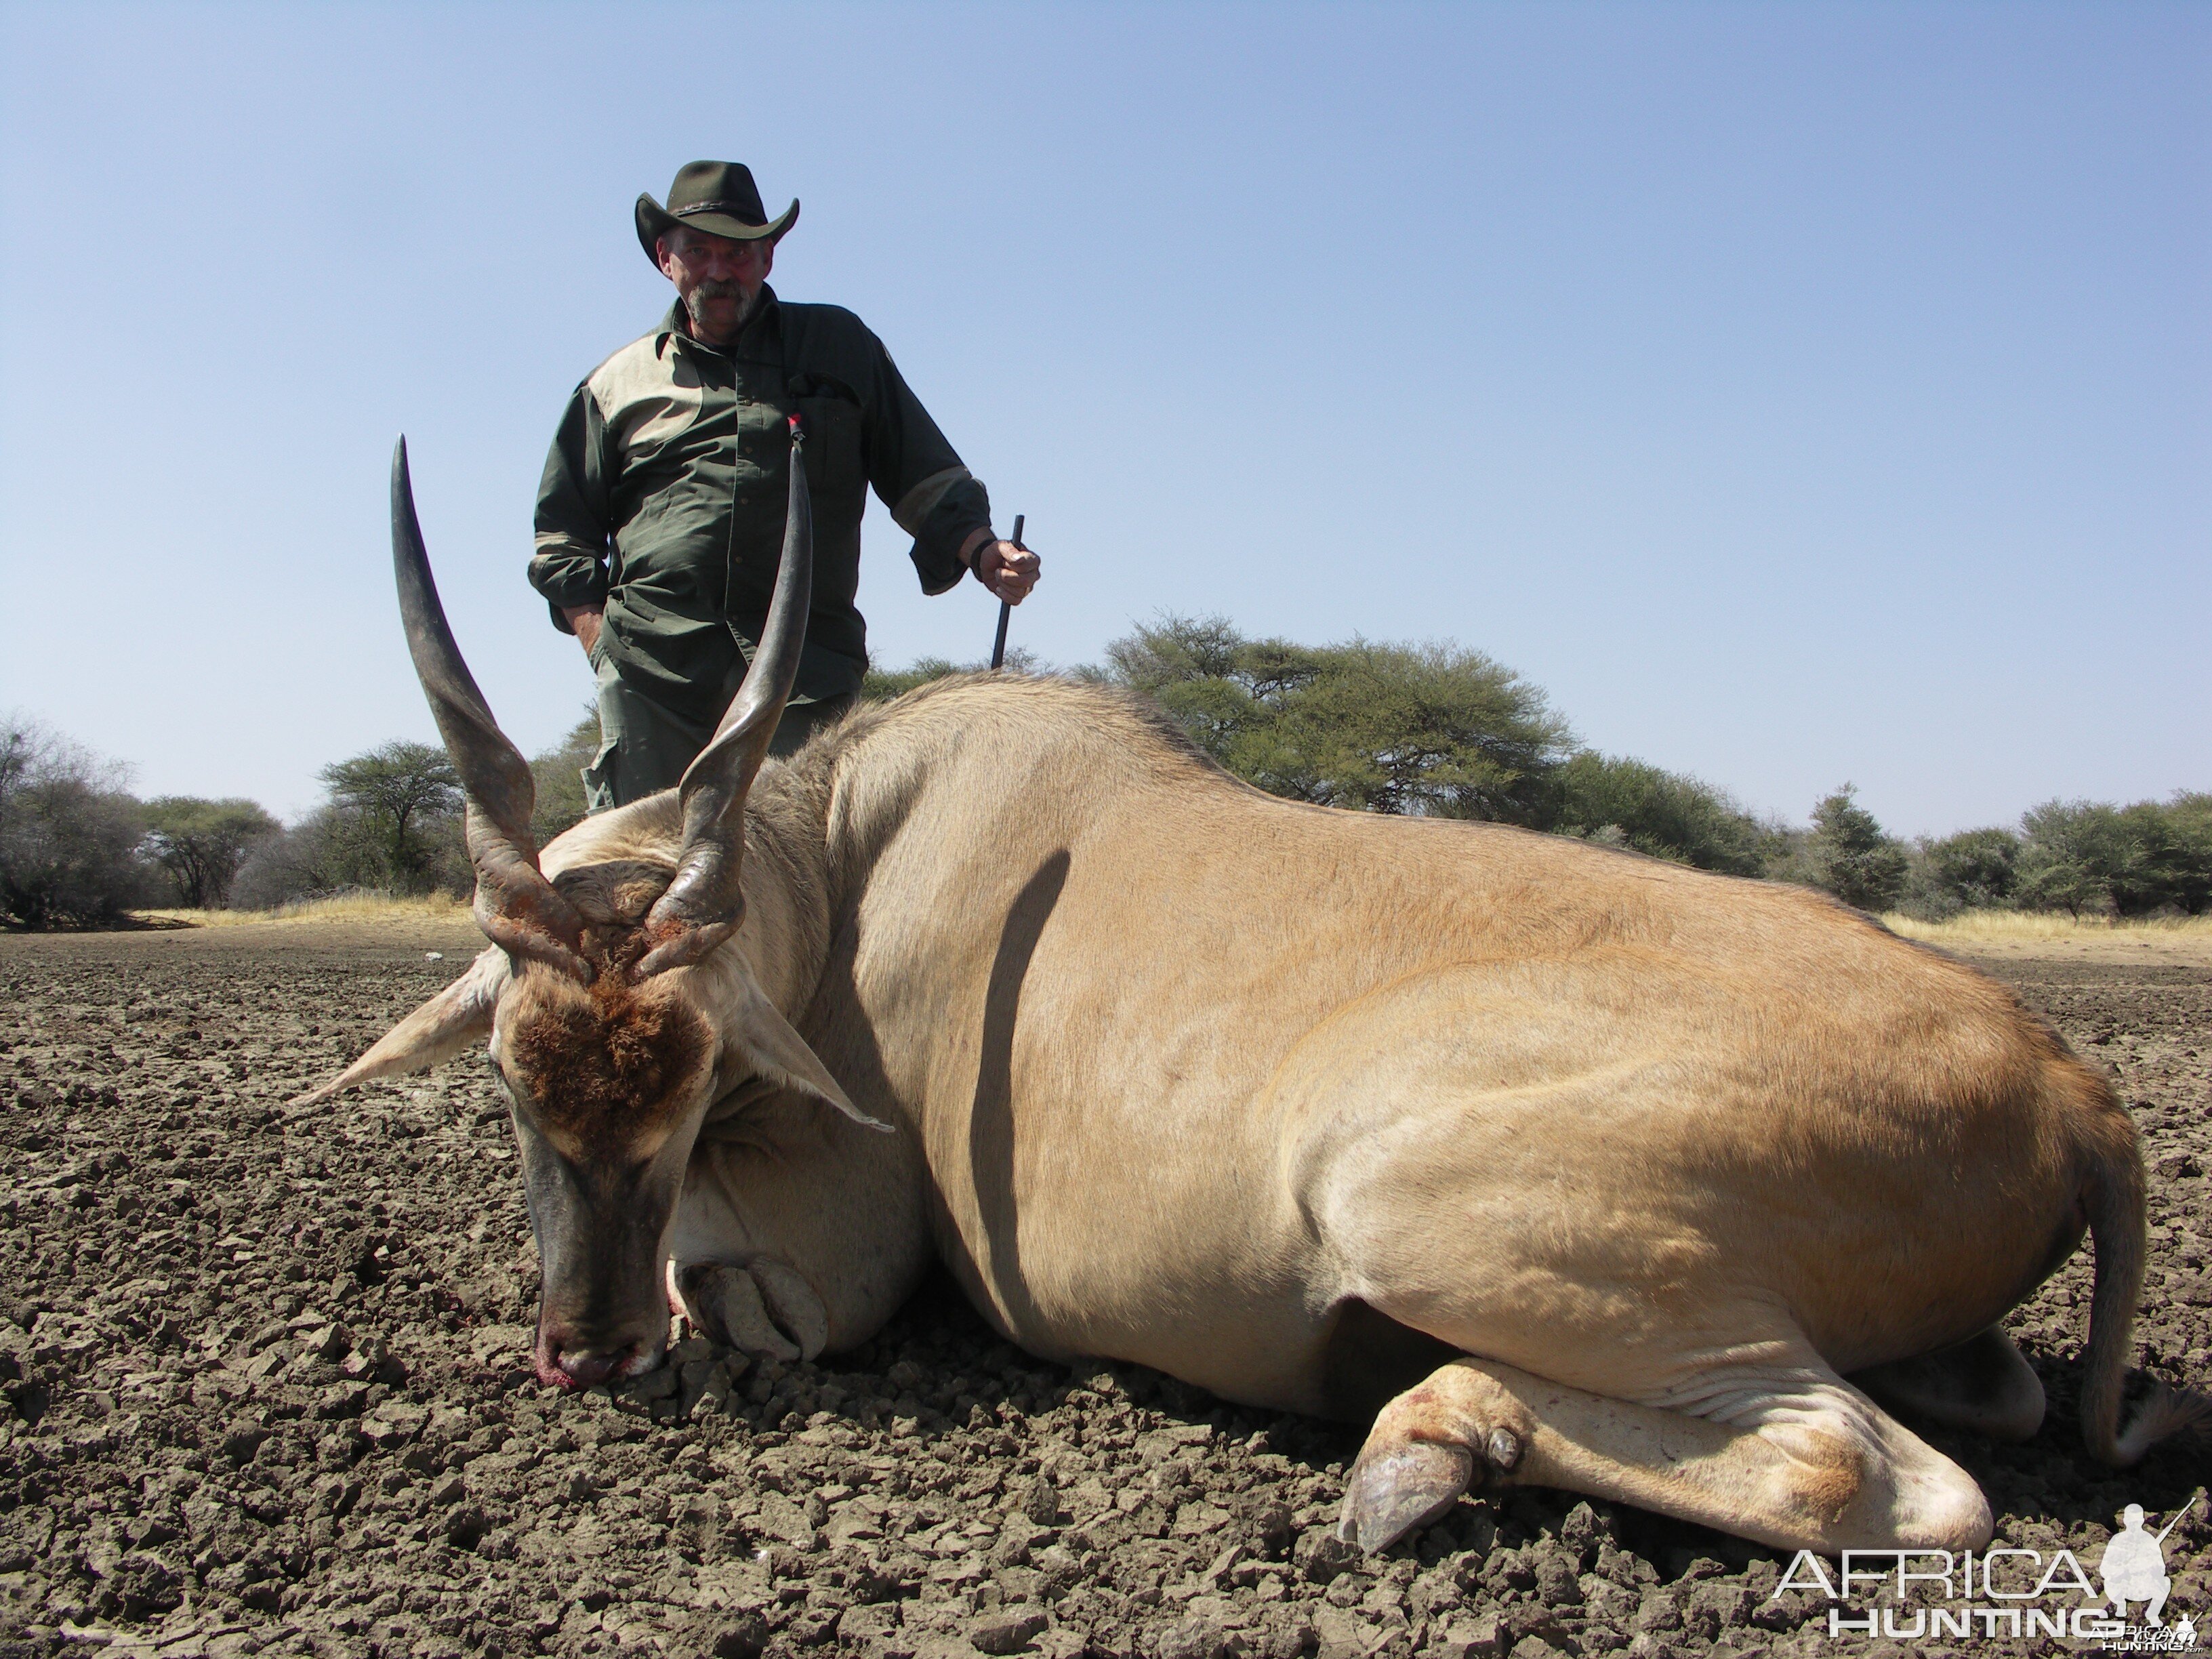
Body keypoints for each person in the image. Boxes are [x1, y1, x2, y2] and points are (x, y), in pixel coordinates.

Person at [530, 161, 1041, 811]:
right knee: (640, 885)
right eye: (700, 251)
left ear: (768, 256)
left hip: (804, 679)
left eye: (739, 252)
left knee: (804, 883)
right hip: (654, 681)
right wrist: (603, 645)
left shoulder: (839, 347)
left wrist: (981, 549)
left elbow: (923, 472)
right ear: (666, 257)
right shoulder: (614, 385)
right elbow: (560, 538)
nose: (720, 270)